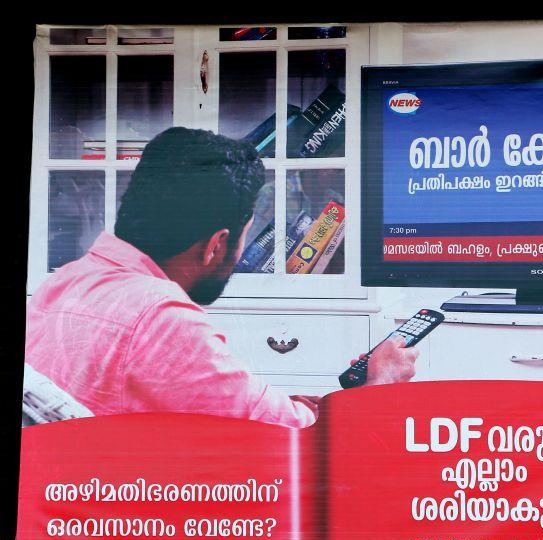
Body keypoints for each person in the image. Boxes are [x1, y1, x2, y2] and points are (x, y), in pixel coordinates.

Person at [25, 127, 418, 429]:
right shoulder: (162, 318)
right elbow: (300, 447)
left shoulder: (64, 281)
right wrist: (380, 384)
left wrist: (284, 406)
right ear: (216, 245)